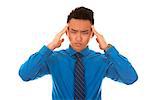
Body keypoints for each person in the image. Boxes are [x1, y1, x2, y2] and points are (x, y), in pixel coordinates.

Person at [19, 6, 138, 100]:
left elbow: (130, 78)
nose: (78, 38)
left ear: (92, 34)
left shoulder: (102, 61)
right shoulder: (54, 59)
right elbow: (25, 74)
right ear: (67, 33)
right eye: (74, 32)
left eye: (85, 32)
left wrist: (108, 49)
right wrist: (49, 48)